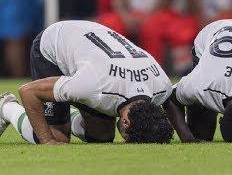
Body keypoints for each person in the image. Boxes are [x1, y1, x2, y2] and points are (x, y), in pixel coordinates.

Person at [0, 20, 174, 145]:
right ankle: (6, 106)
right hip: (54, 42)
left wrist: (188, 136)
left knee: (102, 137)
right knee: (58, 136)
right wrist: (47, 141)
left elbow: (171, 104)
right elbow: (28, 92)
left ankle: (68, 113)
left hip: (90, 36)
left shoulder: (161, 86)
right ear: (126, 122)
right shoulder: (93, 86)